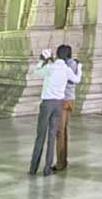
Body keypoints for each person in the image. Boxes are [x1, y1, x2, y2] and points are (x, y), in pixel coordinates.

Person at [29, 45, 82, 176]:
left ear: (57, 55)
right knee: (52, 137)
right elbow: (77, 80)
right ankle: (47, 168)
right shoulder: (67, 69)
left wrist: (42, 60)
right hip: (59, 104)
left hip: (47, 103)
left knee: (40, 136)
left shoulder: (50, 68)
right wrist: (80, 68)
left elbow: (36, 72)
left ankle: (33, 168)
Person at [55, 47, 79, 171]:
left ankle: (60, 162)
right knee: (63, 131)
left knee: (59, 132)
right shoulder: (74, 63)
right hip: (70, 100)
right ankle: (63, 160)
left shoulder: (65, 65)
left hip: (63, 100)